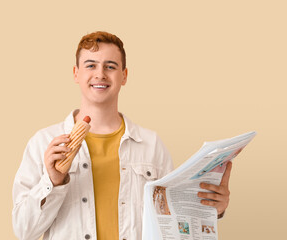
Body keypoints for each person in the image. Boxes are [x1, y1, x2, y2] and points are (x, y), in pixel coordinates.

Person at [12, 31, 232, 240]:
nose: (100, 74)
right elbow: (24, 230)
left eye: (111, 66)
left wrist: (213, 209)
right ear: (75, 73)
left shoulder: (151, 145)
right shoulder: (43, 143)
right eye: (91, 65)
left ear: (124, 76)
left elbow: (171, 224)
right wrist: (53, 181)